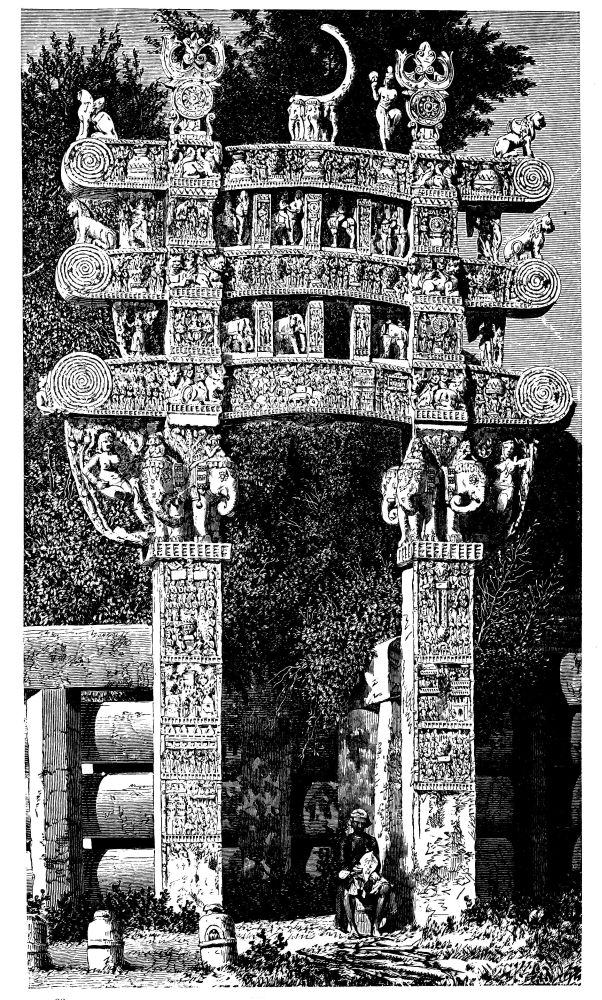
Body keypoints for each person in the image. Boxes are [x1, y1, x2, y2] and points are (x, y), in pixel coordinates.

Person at [337, 809, 391, 937]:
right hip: (353, 875)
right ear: (352, 823)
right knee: (347, 891)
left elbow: (376, 861)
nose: (360, 826)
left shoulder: (371, 840)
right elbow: (342, 861)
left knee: (384, 888)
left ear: (366, 824)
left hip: (368, 876)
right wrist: (352, 869)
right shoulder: (346, 841)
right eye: (357, 823)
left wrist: (374, 872)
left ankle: (376, 926)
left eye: (362, 823)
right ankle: (352, 927)